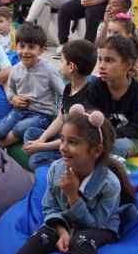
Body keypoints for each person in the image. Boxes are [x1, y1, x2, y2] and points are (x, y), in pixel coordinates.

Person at [0, 104, 136, 254]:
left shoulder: (109, 183)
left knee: (83, 241)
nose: (63, 147)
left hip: (99, 227)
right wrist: (61, 229)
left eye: (72, 142)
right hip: (65, 222)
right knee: (42, 236)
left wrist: (73, 196)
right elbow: (49, 205)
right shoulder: (57, 169)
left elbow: (96, 224)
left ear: (96, 150)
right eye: (62, 139)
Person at [22, 39, 97, 171]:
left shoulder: (89, 95)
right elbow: (61, 118)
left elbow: (75, 137)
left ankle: (64, 164)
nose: (59, 66)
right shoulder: (68, 88)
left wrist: (41, 146)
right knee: (30, 133)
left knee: (34, 160)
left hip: (74, 144)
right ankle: (52, 156)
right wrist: (41, 139)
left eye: (61, 61)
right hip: (63, 138)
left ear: (71, 67)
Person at [0, 23, 64, 147]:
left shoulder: (48, 71)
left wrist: (59, 115)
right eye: (22, 46)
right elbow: (10, 89)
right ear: (16, 47)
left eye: (31, 47)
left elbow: (63, 93)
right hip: (19, 110)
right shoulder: (15, 69)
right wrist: (13, 98)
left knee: (20, 128)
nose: (25, 51)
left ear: (41, 50)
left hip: (41, 115)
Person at [85, 35, 138, 158]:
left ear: (127, 64)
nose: (102, 65)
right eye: (100, 59)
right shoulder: (95, 87)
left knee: (117, 147)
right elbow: (89, 115)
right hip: (99, 137)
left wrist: (110, 134)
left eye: (109, 60)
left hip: (129, 139)